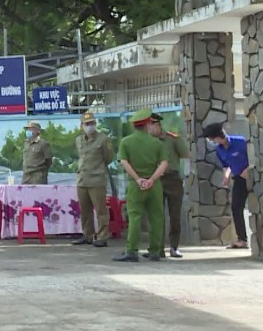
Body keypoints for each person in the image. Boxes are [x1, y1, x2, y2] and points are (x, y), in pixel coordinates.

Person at [113, 108, 170, 262]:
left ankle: (132, 251)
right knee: (156, 217)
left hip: (135, 185)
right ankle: (155, 251)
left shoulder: (126, 142)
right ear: (147, 125)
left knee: (134, 217)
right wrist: (151, 179)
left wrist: (138, 179)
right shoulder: (157, 143)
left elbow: (124, 162)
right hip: (154, 185)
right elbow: (164, 163)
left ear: (134, 125)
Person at [202, 122, 250, 249]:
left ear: (218, 137)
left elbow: (253, 156)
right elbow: (226, 165)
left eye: (212, 139)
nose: (212, 141)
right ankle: (242, 239)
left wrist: (248, 170)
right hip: (239, 179)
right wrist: (226, 176)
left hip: (251, 176)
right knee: (236, 207)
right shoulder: (219, 150)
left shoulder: (240, 142)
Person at [72, 112, 115, 247]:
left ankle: (102, 236)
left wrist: (98, 168)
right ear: (82, 125)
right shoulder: (79, 140)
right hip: (82, 179)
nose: (89, 126)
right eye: (87, 124)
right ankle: (88, 235)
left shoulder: (103, 139)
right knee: (85, 210)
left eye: (92, 123)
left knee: (101, 210)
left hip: (97, 179)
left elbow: (108, 157)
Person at [153, 113, 188, 257]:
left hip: (173, 179)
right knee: (157, 215)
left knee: (174, 215)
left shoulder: (172, 139)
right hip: (156, 179)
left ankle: (174, 247)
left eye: (153, 124)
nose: (151, 128)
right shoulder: (149, 141)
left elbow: (185, 154)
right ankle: (158, 248)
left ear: (158, 125)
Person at [21, 121, 53, 185]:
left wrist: (42, 170)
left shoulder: (43, 144)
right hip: (26, 175)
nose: (28, 131)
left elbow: (48, 160)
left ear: (37, 131)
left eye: (30, 129)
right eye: (27, 129)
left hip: (37, 176)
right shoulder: (26, 143)